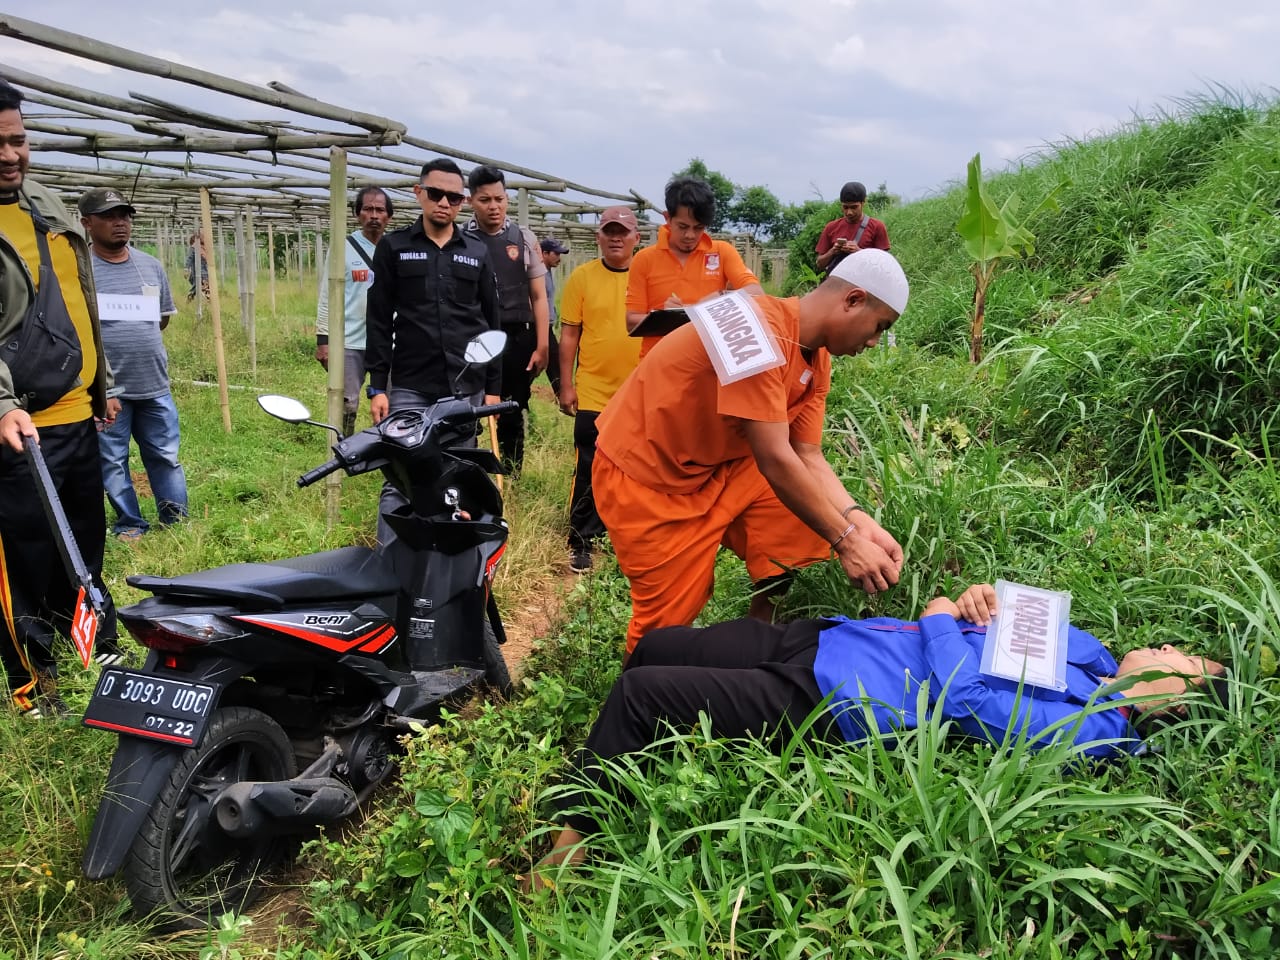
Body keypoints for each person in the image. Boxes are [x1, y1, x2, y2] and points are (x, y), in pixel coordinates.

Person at [529, 582, 1229, 882]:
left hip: (833, 698)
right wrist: (981, 599)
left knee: (640, 696)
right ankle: (611, 766)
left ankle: (564, 855)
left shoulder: (1089, 733)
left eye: (1178, 661)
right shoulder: (1094, 653)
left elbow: (963, 699)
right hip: (838, 639)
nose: (1164, 649)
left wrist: (939, 615)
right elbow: (1001, 613)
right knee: (658, 646)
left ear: (1169, 702)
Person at [594, 248, 909, 656]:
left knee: (797, 531)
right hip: (648, 475)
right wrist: (847, 543)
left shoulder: (817, 356)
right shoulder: (756, 331)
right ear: (853, 300)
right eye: (879, 326)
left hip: (720, 467)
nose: (874, 341)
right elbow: (776, 459)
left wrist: (857, 519)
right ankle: (642, 703)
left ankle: (759, 636)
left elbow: (806, 455)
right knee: (665, 625)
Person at [0, 80, 124, 717]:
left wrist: (98, 386)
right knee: (23, 555)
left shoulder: (46, 204)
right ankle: (32, 681)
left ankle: (92, 648)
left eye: (17, 139)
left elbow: (80, 303)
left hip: (75, 417)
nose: (9, 154)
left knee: (82, 544)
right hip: (16, 428)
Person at [365, 158, 500, 545]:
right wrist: (378, 386)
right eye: (437, 193)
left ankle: (452, 559)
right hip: (410, 383)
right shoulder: (395, 247)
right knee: (401, 475)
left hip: (464, 385)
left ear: (463, 202)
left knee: (459, 472)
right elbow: (378, 319)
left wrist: (493, 386)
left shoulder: (476, 251)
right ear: (419, 193)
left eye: (454, 197)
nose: (445, 203)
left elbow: (492, 324)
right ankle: (389, 564)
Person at [78, 186, 187, 541]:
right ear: (86, 223)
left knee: (165, 455)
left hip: (155, 383)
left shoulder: (150, 266)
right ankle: (130, 523)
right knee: (112, 461)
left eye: (123, 215)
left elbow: (161, 318)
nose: (119, 223)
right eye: (108, 216)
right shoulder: (80, 272)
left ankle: (176, 521)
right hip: (108, 390)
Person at [556, 207, 642, 574]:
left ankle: (627, 535)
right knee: (590, 463)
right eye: (609, 231)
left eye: (622, 231)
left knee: (636, 467)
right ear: (598, 237)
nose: (616, 238)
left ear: (637, 238)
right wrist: (566, 384)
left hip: (639, 392)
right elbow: (570, 334)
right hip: (593, 390)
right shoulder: (582, 277)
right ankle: (581, 538)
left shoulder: (648, 277)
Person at [464, 165, 550, 473]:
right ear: (470, 201)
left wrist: (542, 346)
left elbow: (539, 296)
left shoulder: (523, 238)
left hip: (516, 339)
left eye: (499, 199)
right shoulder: (461, 240)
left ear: (507, 199)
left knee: (512, 410)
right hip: (473, 339)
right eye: (485, 200)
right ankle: (469, 473)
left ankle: (511, 474)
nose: (493, 206)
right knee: (468, 410)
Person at [625, 175, 763, 358]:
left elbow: (757, 293)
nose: (690, 235)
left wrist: (719, 300)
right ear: (667, 218)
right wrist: (665, 318)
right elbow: (631, 321)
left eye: (698, 228)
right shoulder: (644, 259)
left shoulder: (722, 252)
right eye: (682, 226)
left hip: (707, 363)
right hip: (658, 364)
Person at [317, 186, 391, 437]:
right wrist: (323, 340)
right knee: (346, 402)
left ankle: (384, 449)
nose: (373, 215)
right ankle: (344, 449)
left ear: (388, 216)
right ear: (357, 214)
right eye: (367, 209)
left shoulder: (395, 248)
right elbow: (327, 295)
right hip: (350, 341)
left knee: (387, 403)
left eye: (379, 210)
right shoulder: (343, 248)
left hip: (388, 342)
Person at [815, 181, 891, 277]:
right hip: (837, 286)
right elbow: (819, 264)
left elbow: (885, 265)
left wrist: (859, 252)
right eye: (845, 207)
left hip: (864, 286)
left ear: (863, 203)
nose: (849, 212)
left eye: (854, 207)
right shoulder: (831, 227)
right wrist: (833, 251)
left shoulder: (877, 226)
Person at [539, 236, 568, 398]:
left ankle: (560, 393)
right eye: (556, 254)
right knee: (554, 360)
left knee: (551, 361)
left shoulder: (548, 272)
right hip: (540, 326)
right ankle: (561, 394)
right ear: (544, 253)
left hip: (548, 325)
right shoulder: (538, 274)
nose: (559, 258)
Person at [183, 232, 209, 302]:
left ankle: (208, 304)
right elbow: (189, 258)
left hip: (205, 274)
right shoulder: (194, 248)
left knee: (203, 288)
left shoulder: (204, 249)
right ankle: (189, 300)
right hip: (197, 273)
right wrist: (186, 269)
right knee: (198, 287)